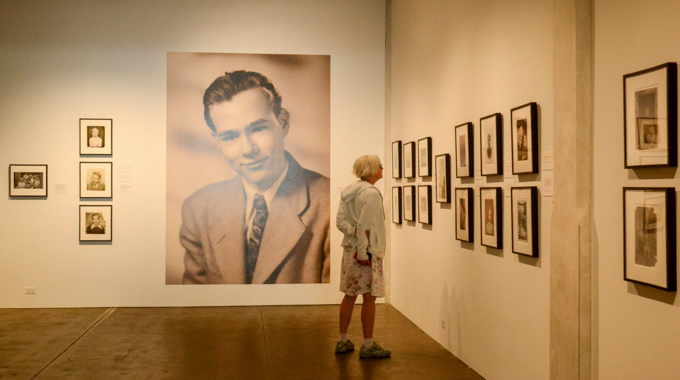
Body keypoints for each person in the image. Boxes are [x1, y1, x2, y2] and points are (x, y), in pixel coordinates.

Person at [180, 70, 330, 284]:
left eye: (258, 128)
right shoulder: (197, 210)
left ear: (283, 123)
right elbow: (196, 307)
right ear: (218, 142)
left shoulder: (330, 206)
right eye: (230, 136)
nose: (248, 149)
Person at [335, 155, 390, 359]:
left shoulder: (348, 192)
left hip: (350, 250)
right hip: (366, 252)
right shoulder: (372, 194)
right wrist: (364, 250)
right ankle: (368, 345)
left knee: (349, 295)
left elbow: (341, 222)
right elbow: (364, 227)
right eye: (380, 166)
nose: (382, 169)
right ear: (372, 169)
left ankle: (342, 341)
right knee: (369, 298)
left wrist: (355, 234)